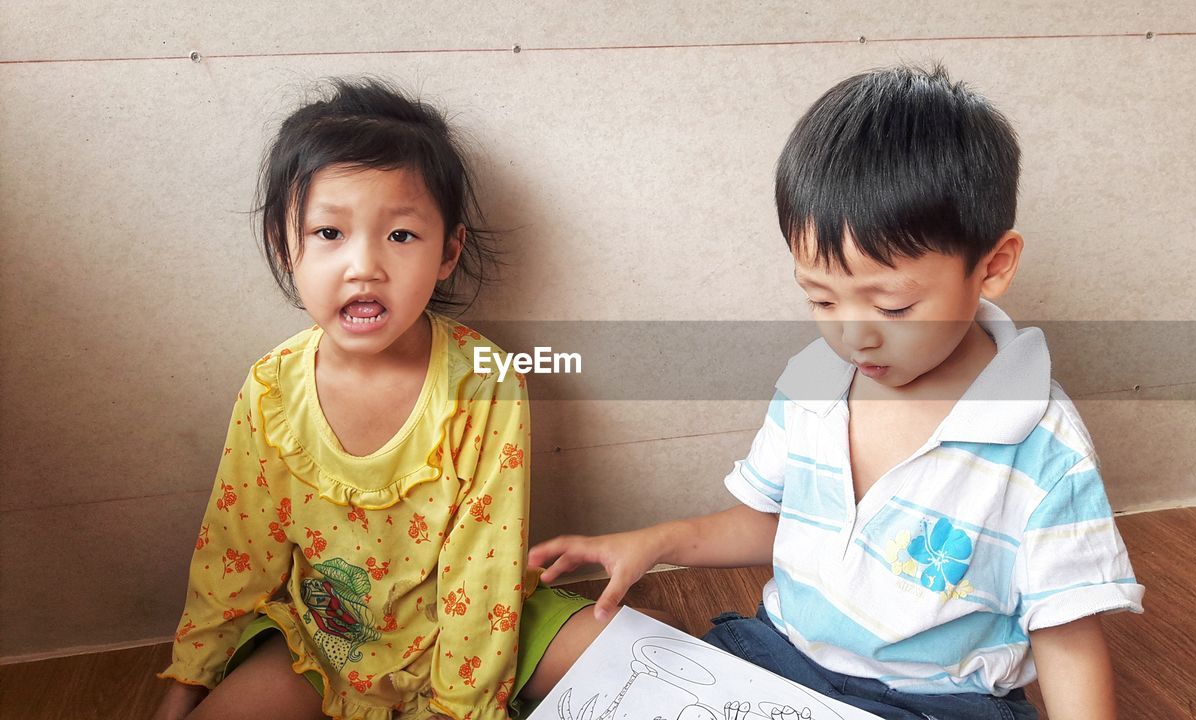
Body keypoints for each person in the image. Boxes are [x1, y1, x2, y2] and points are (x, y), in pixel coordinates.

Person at [530, 65, 1144, 720]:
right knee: (587, 661)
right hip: (783, 655)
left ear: (992, 267)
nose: (854, 337)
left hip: (937, 701)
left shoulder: (1042, 446)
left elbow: (1068, 638)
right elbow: (771, 522)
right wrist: (654, 543)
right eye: (820, 298)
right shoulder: (814, 381)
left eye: (895, 307)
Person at [152, 78, 601, 720]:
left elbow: (482, 573)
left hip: (482, 625)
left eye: (400, 236)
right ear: (286, 247)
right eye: (330, 233)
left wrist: (459, 710)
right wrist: (183, 689)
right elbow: (237, 552)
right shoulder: (273, 389)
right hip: (322, 642)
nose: (364, 266)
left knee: (649, 655)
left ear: (448, 252)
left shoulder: (486, 380)